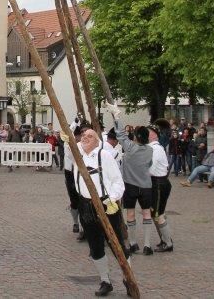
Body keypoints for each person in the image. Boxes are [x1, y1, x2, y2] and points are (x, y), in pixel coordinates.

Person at [75, 128, 127, 297]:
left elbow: (118, 182)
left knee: (116, 243)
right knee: (95, 246)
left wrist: (112, 199)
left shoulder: (104, 155)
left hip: (106, 204)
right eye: (83, 136)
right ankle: (105, 280)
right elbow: (69, 140)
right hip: (85, 205)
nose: (85, 138)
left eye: (90, 136)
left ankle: (128, 276)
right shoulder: (78, 155)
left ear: (97, 141)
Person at [119, 126, 156, 256]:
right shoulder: (150, 150)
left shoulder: (130, 147)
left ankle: (133, 243)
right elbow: (150, 164)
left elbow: (121, 135)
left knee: (130, 214)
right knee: (146, 214)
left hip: (130, 185)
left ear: (135, 136)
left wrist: (116, 117)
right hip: (146, 185)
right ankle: (147, 245)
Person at [150, 119, 176, 253]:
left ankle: (168, 242)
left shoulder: (156, 149)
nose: (147, 134)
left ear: (155, 134)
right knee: (156, 213)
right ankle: (165, 240)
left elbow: (151, 168)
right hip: (157, 183)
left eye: (149, 132)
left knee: (158, 214)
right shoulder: (154, 148)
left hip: (159, 183)